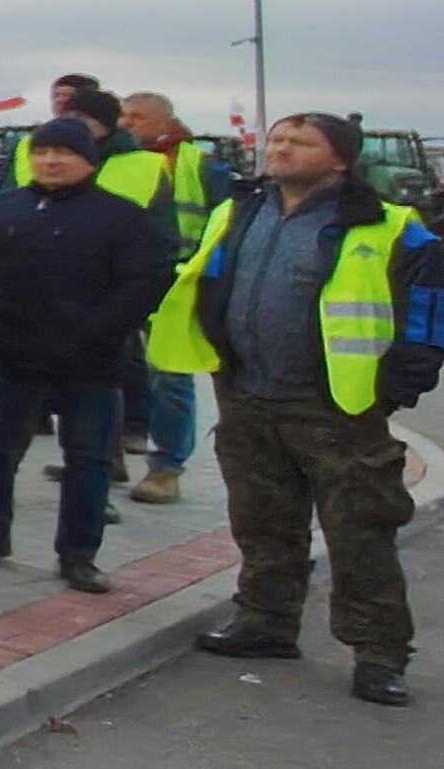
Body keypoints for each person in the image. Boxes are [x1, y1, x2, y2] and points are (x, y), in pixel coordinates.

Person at [160, 113, 431, 707]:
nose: (280, 148)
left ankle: (379, 653)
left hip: (337, 405)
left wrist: (404, 380)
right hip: (247, 394)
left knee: (360, 531)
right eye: (277, 139)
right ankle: (266, 621)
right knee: (262, 520)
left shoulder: (389, 224)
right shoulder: (239, 210)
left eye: (300, 141)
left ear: (340, 159)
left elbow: (428, 305)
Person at [0, 115, 174, 591]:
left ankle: (78, 554)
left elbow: (144, 282)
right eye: (42, 152)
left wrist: (97, 329)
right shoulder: (4, 209)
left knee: (88, 458)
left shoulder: (122, 217)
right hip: (8, 354)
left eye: (63, 153)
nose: (50, 161)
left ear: (88, 161)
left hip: (89, 361)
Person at [120, 90, 230, 503]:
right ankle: (106, 457)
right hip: (121, 282)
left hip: (176, 286)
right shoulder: (114, 162)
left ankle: (166, 469)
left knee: (170, 377)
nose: (127, 124)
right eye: (124, 116)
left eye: (138, 117)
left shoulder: (201, 166)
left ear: (166, 123)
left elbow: (228, 226)